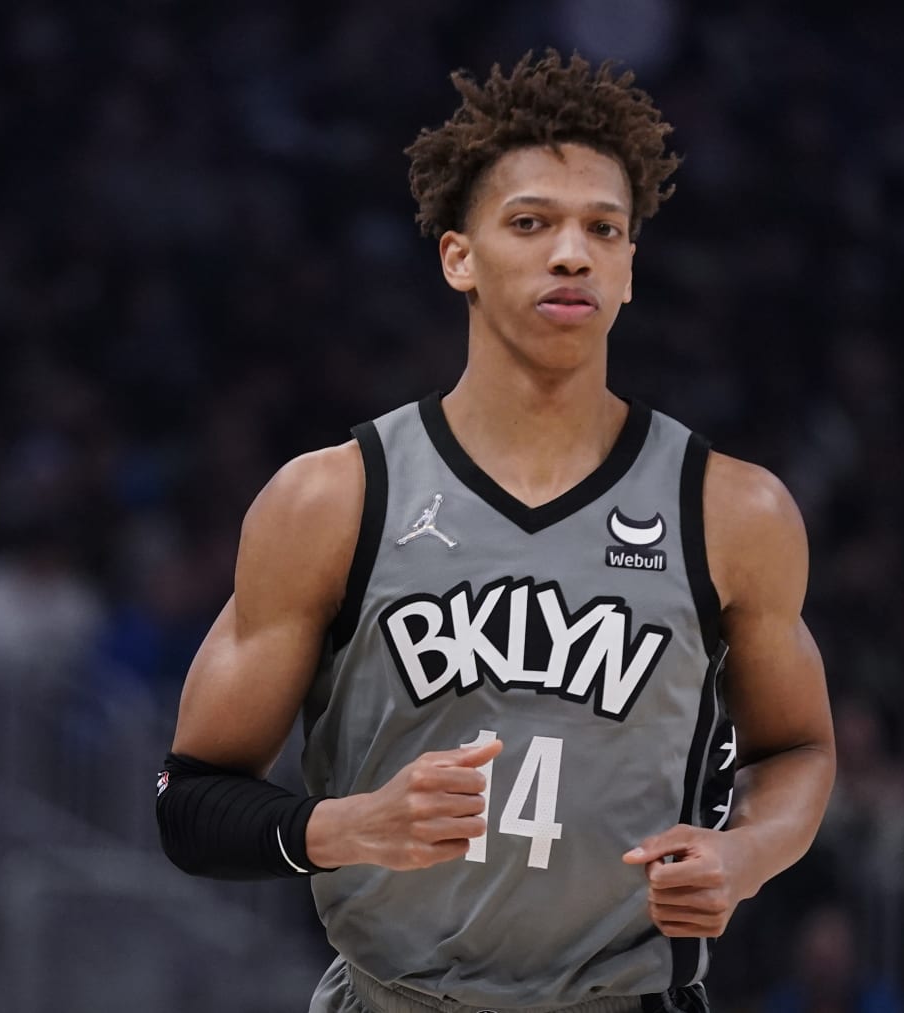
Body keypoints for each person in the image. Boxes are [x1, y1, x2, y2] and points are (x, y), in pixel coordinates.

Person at [153, 49, 835, 1013]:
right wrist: (349, 826)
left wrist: (748, 852)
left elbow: (800, 749)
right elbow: (188, 802)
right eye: (531, 223)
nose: (572, 253)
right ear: (457, 256)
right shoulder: (335, 499)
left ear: (631, 268)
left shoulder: (733, 509)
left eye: (604, 228)